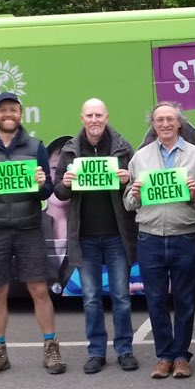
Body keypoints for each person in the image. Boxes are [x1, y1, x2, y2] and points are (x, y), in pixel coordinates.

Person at [0, 92, 64, 379]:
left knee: (39, 289)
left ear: (21, 114)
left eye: (14, 110)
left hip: (29, 228)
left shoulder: (35, 147)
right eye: (3, 110)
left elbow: (48, 192)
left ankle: (51, 346)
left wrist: (44, 184)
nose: (9, 114)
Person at [53, 98, 139, 374]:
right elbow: (58, 191)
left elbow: (138, 187)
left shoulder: (123, 148)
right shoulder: (69, 152)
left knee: (121, 297)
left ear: (106, 117)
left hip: (117, 235)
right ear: (82, 118)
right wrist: (65, 184)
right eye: (89, 115)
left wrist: (128, 179)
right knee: (90, 298)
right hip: (85, 237)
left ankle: (125, 350)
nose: (94, 120)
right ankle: (96, 352)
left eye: (98, 115)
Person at [125, 101, 195, 379]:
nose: (165, 124)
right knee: (156, 300)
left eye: (170, 119)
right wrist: (134, 193)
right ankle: (164, 356)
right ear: (153, 124)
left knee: (185, 300)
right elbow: (128, 203)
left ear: (179, 122)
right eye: (159, 120)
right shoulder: (141, 157)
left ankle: (182, 355)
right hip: (150, 239)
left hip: (185, 237)